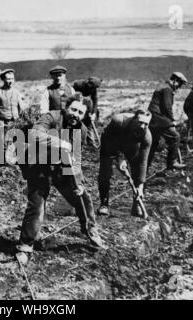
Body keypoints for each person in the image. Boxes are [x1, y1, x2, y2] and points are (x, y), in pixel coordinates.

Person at [16, 93, 102, 262]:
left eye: (80, 113)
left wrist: (79, 182)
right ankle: (25, 246)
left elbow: (75, 159)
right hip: (39, 167)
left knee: (83, 198)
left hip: (61, 170)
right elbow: (34, 135)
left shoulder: (81, 130)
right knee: (37, 206)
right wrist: (60, 142)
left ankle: (90, 230)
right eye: (73, 109)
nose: (75, 115)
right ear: (66, 107)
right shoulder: (51, 117)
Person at [97, 110, 152, 217]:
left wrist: (140, 186)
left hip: (130, 145)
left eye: (146, 124)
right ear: (134, 119)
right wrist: (119, 157)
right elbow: (110, 141)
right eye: (140, 122)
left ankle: (136, 203)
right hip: (109, 142)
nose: (142, 126)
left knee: (137, 170)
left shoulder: (147, 136)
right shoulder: (118, 121)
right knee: (105, 172)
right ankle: (104, 204)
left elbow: (143, 162)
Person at [147, 72, 188, 170]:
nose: (179, 87)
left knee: (152, 144)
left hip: (154, 117)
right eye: (180, 84)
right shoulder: (167, 89)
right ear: (175, 81)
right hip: (159, 117)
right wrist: (172, 121)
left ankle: (143, 169)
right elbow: (167, 107)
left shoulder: (163, 86)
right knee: (175, 137)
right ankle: (172, 162)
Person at [0, 69, 25, 164]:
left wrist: (22, 119)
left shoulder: (16, 92)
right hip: (2, 122)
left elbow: (21, 107)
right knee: (3, 144)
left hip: (15, 122)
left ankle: (17, 163)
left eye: (12, 79)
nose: (10, 81)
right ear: (3, 80)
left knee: (16, 142)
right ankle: (3, 164)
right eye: (8, 79)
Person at [73, 77, 102, 148]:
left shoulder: (93, 88)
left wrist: (93, 113)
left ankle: (90, 141)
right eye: (91, 87)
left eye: (93, 88)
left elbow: (95, 100)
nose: (92, 89)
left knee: (90, 121)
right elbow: (71, 96)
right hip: (76, 103)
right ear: (87, 82)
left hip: (86, 103)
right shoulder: (78, 84)